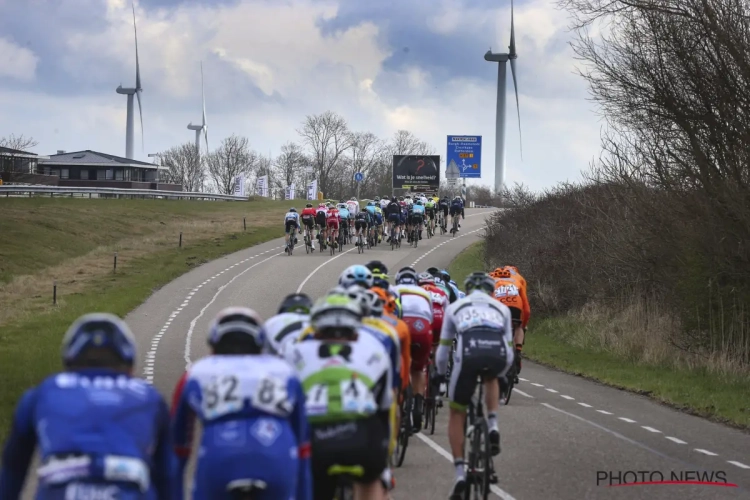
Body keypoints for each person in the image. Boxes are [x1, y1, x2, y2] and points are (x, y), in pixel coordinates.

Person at [0, 313, 172, 500]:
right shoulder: (149, 397)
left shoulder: (43, 392)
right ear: (129, 366)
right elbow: (169, 475)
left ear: (69, 362)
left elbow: (12, 469)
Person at [171, 307, 312, 500]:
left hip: (219, 455)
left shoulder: (197, 372)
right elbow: (303, 445)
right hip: (276, 453)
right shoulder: (284, 370)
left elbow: (178, 446)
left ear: (214, 343)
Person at [284, 293, 392, 500]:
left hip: (316, 440)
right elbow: (384, 409)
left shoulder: (294, 352)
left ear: (315, 331)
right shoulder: (375, 350)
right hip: (363, 439)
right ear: (355, 333)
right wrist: (383, 465)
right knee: (371, 482)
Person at [436, 273, 514, 499]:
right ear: (491, 292)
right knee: (491, 378)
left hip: (468, 352)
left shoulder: (456, 307)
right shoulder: (502, 309)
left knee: (456, 411)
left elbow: (443, 352)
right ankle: (492, 426)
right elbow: (509, 352)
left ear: (468, 291)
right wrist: (501, 375)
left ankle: (460, 472)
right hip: (496, 353)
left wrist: (440, 377)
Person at [393, 267, 434, 431]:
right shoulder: (424, 293)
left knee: (396, 366)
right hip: (422, 328)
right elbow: (430, 317)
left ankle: (401, 402)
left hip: (402, 326)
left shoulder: (393, 290)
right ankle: (418, 404)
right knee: (418, 369)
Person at [491, 266, 530, 377]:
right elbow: (526, 309)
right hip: (516, 305)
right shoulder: (518, 279)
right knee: (518, 326)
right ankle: (517, 350)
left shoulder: (490, 279)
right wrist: (524, 325)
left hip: (499, 305)